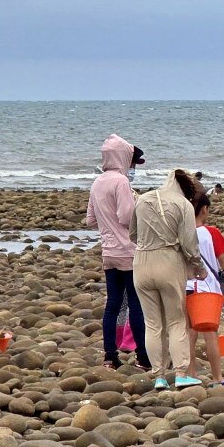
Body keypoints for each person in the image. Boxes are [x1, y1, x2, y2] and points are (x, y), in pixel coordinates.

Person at [130, 168, 205, 388]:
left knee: (152, 323)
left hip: (141, 262)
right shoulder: (183, 205)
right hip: (169, 262)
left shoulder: (143, 200)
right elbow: (189, 244)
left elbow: (132, 234)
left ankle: (159, 376)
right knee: (176, 320)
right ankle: (181, 373)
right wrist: (198, 267)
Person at [85, 135, 150, 371]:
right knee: (136, 304)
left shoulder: (97, 182)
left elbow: (91, 219)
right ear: (124, 158)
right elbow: (126, 217)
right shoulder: (121, 182)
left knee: (112, 304)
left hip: (108, 252)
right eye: (132, 163)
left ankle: (110, 356)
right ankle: (143, 357)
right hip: (129, 253)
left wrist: (107, 222)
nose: (132, 168)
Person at [187, 193, 224, 385]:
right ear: (204, 209)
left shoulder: (182, 232)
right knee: (210, 333)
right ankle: (217, 377)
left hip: (186, 285)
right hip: (206, 288)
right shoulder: (211, 232)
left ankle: (190, 374)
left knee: (189, 332)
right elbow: (223, 261)